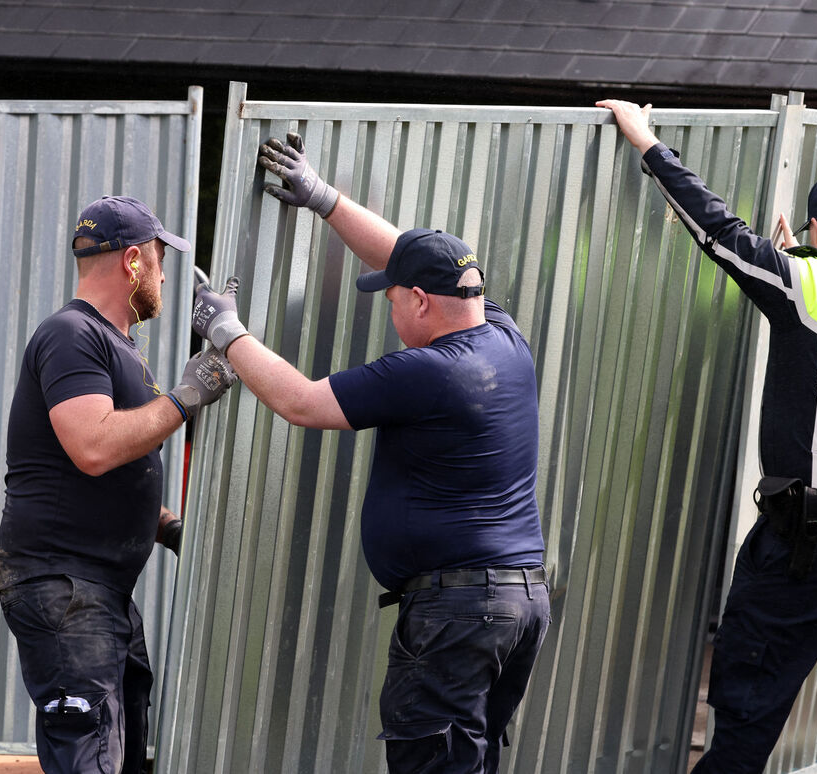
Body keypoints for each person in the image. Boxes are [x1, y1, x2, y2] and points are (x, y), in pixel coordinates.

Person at [190, 133, 550, 773]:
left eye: (391, 297)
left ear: (420, 301)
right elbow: (415, 259)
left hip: (459, 612)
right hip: (515, 604)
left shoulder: (428, 370)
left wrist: (226, 331)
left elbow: (302, 402)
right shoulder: (503, 336)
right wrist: (322, 197)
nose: (390, 307)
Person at [597, 100, 817, 773]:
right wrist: (797, 260)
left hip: (807, 545)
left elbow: (718, 231)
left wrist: (645, 139)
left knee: (747, 708)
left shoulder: (804, 286)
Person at [0, 195, 237, 774]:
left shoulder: (116, 345)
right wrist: (186, 397)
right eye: (159, 259)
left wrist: (168, 527)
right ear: (132, 261)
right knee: (91, 757)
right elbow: (95, 446)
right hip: (66, 586)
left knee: (121, 756)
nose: (163, 275)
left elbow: (109, 472)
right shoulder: (72, 333)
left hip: (99, 591)